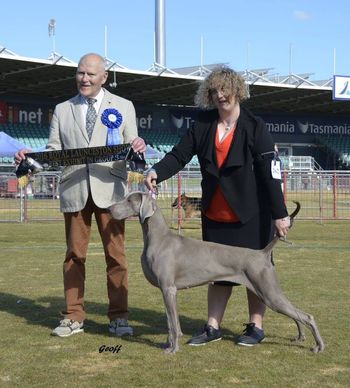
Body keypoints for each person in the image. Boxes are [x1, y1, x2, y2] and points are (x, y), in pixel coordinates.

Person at [145, 66, 291, 347]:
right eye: (214, 91)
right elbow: (179, 155)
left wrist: (280, 214)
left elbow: (269, 173)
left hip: (251, 214)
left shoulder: (254, 126)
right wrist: (156, 171)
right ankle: (213, 327)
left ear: (237, 90)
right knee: (216, 273)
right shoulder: (202, 124)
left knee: (253, 272)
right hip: (215, 213)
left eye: (225, 89)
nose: (220, 95)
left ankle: (255, 326)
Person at [15, 53, 146, 337]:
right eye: (79, 73)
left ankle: (119, 317)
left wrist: (137, 144)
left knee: (117, 256)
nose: (83, 79)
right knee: (74, 255)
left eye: (89, 74)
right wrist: (31, 156)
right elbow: (53, 150)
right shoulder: (63, 109)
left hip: (111, 193)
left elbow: (132, 146)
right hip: (74, 189)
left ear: (103, 77)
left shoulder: (124, 106)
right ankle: (73, 317)